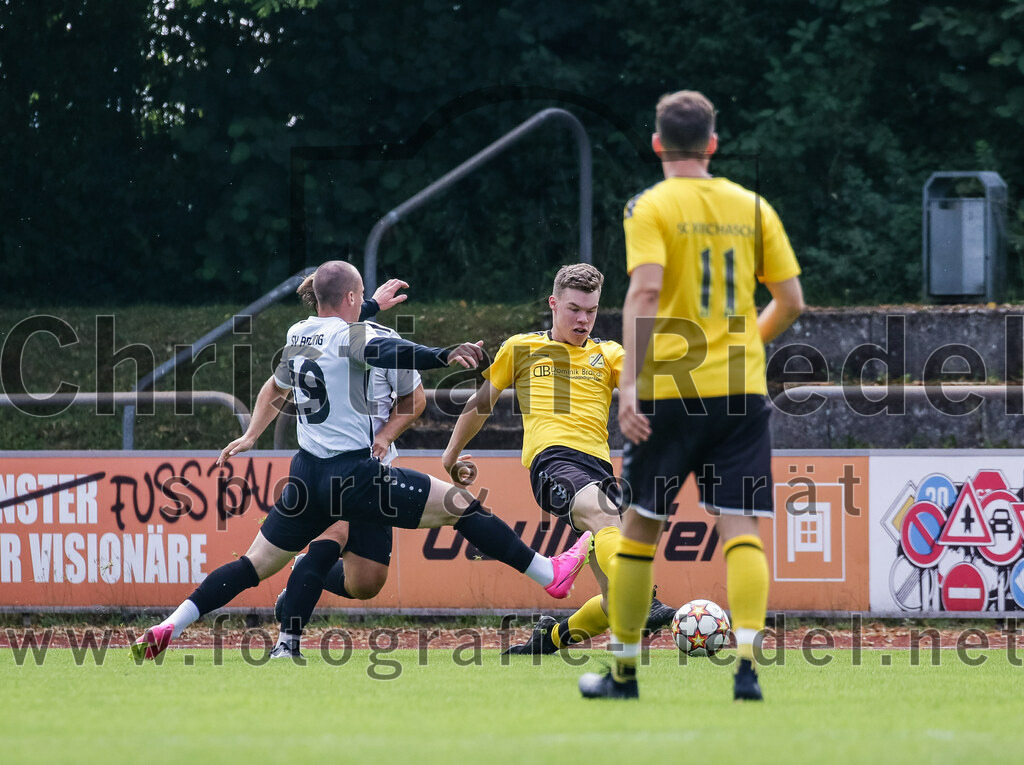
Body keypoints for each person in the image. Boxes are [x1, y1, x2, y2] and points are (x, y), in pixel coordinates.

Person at [131, 260, 593, 661]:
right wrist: (442, 354)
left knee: (255, 566)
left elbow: (321, 347)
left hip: (306, 474)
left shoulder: (299, 332)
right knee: (458, 506)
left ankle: (171, 624)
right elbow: (380, 348)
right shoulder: (359, 336)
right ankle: (547, 573)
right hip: (354, 476)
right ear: (352, 297)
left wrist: (252, 434)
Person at [578, 90, 804, 700]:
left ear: (656, 144)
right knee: (743, 530)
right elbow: (791, 301)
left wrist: (628, 383)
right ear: (713, 144)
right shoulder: (753, 206)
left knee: (640, 534)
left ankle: (623, 674)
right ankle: (748, 672)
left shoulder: (649, 206)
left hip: (667, 393)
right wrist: (741, 346)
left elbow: (646, 295)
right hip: (739, 393)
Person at [442, 263, 675, 656]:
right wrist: (451, 456)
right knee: (605, 520)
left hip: (599, 470)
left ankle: (548, 638)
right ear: (553, 303)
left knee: (613, 602)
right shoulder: (521, 348)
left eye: (591, 311)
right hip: (553, 462)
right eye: (574, 309)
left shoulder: (608, 354)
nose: (583, 319)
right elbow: (482, 402)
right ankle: (644, 597)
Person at [269, 273, 426, 659]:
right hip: (332, 467)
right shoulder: (310, 339)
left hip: (375, 470)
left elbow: (414, 400)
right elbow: (278, 387)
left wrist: (385, 436)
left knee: (366, 583)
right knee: (333, 534)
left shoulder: (382, 340)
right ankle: (287, 644)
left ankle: (300, 582)